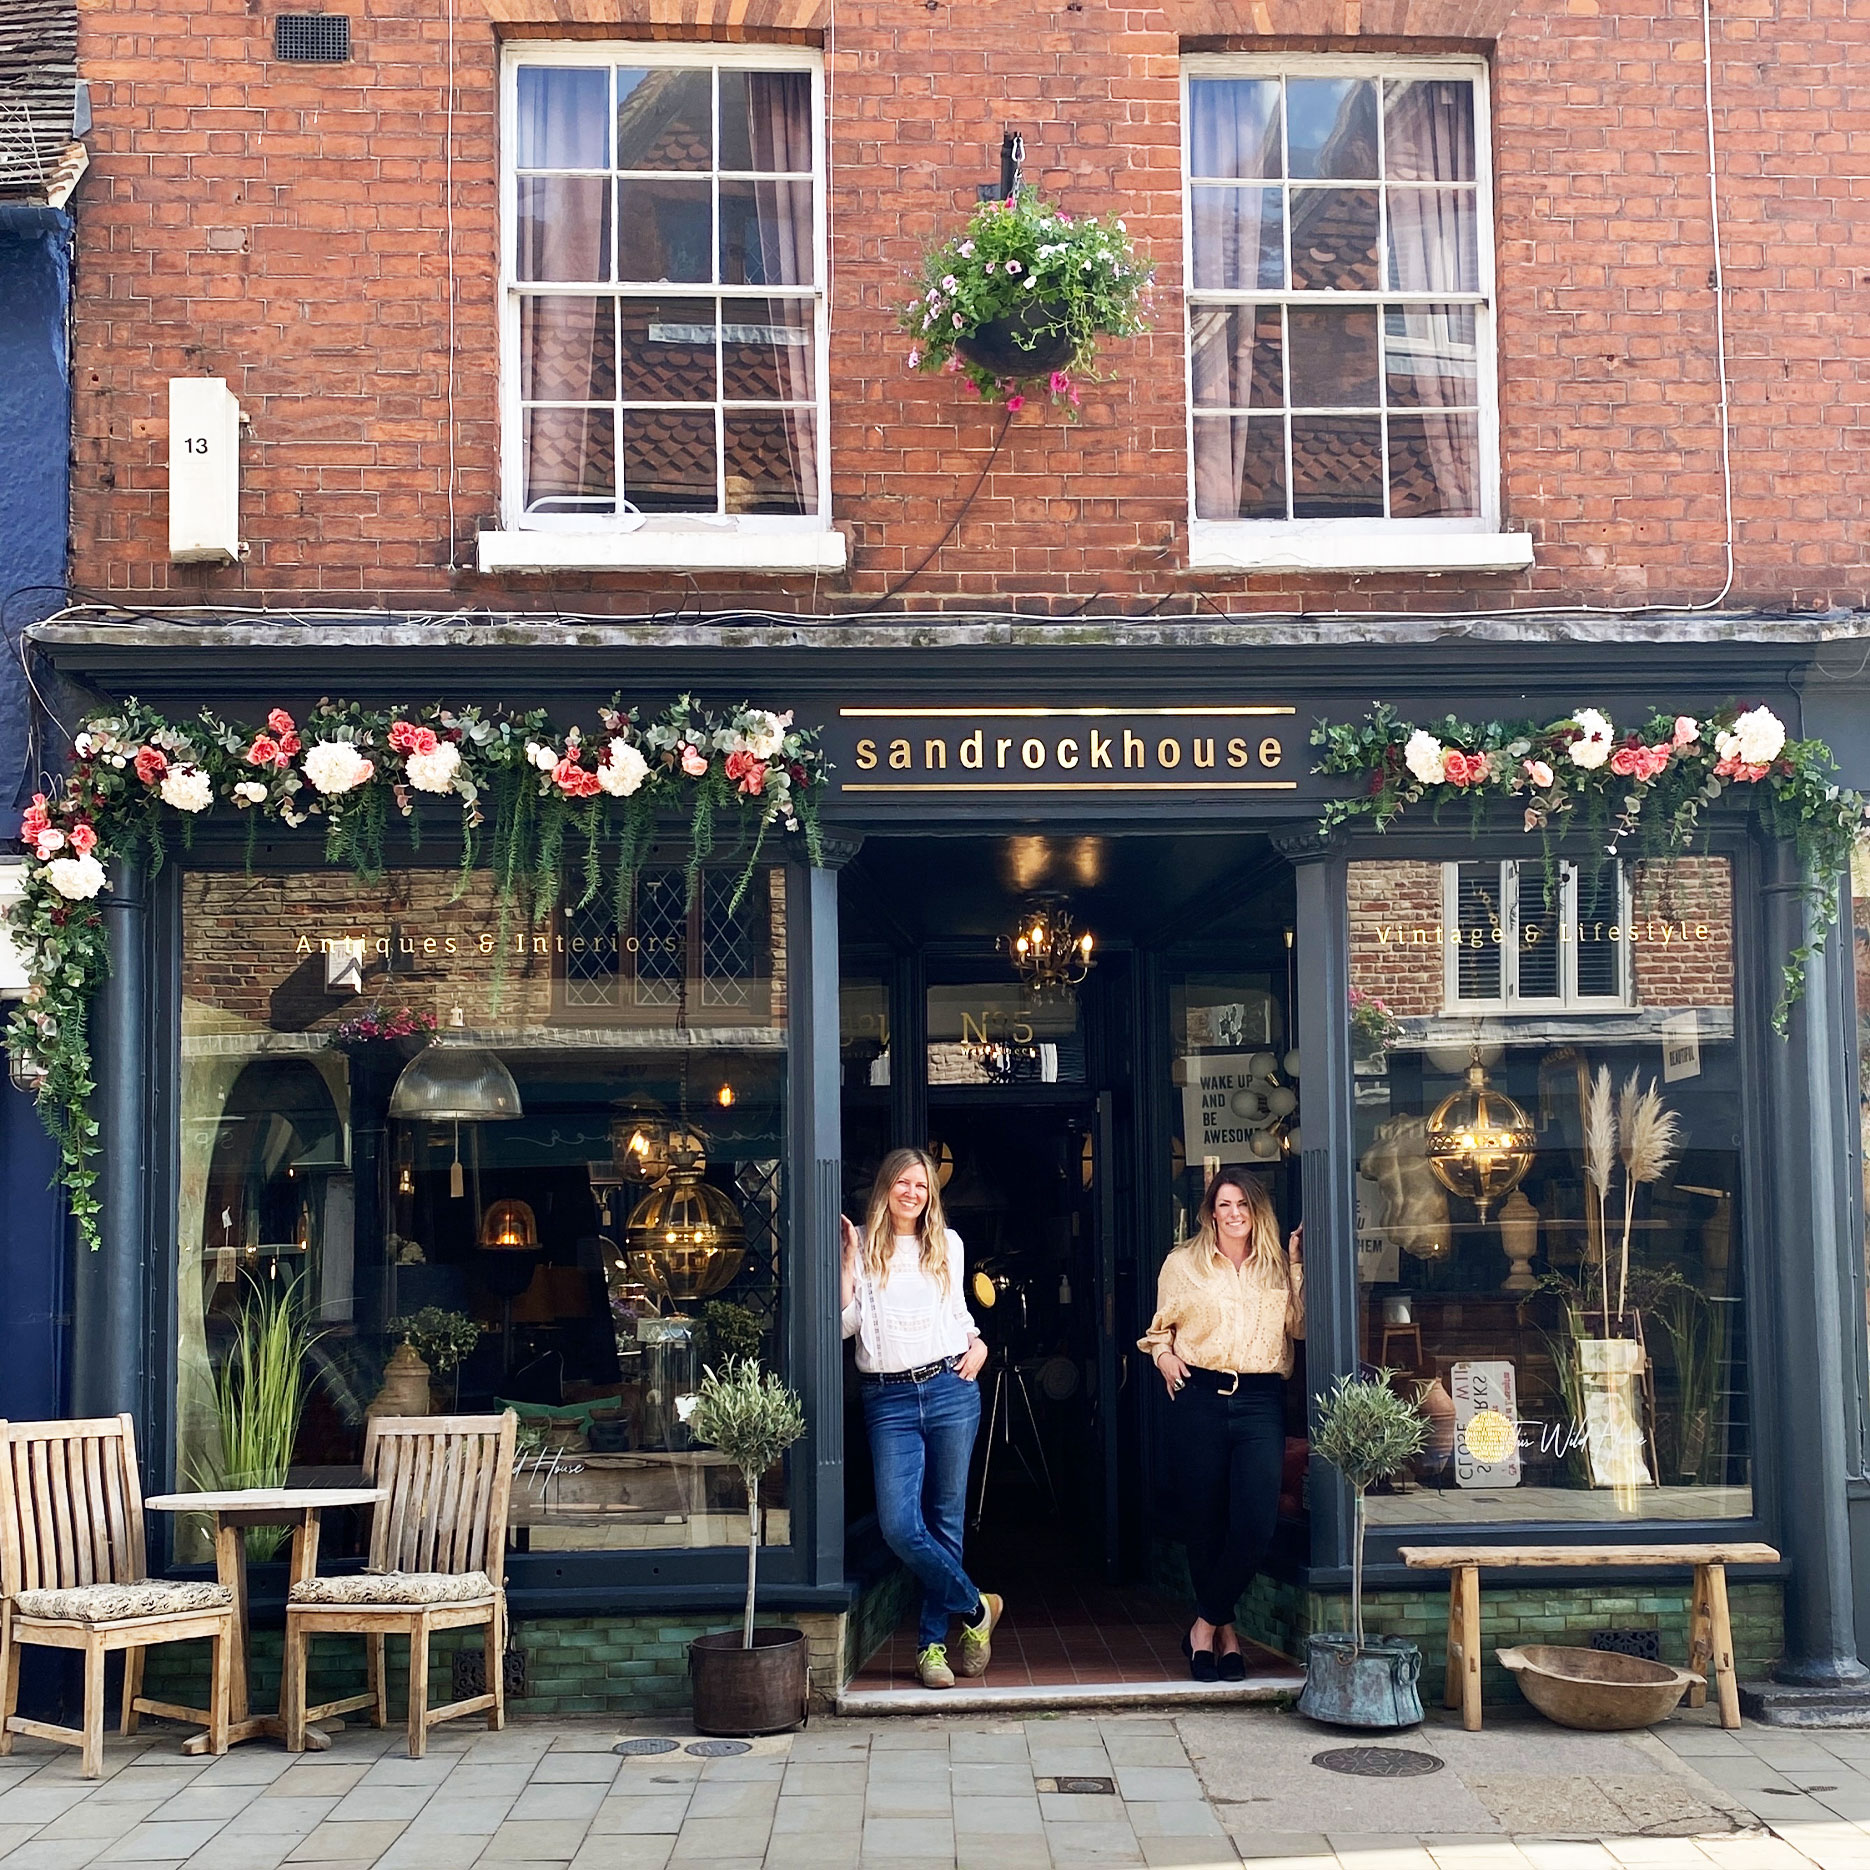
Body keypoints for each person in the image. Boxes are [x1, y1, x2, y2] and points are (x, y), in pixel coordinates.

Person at [841, 1146, 1002, 1690]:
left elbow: (957, 1312)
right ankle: (977, 1609)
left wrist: (979, 1343)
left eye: (922, 1186)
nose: (912, 1193)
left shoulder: (947, 1244)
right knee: (900, 1526)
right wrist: (844, 1268)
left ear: (931, 1194)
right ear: (886, 1187)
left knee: (946, 1520)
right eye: (903, 1183)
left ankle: (932, 1646)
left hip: (950, 1389)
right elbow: (846, 1327)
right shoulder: (861, 1246)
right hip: (887, 1400)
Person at [1138, 1169, 1303, 1682]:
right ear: (1211, 1211)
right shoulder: (1182, 1264)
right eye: (1223, 1205)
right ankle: (1225, 1635)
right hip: (1199, 1397)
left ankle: (1202, 1626)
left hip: (1258, 1400)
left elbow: (1299, 1327)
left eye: (1243, 1206)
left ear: (1258, 1212)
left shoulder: (1276, 1264)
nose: (1233, 1214)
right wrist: (1163, 1358)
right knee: (1205, 1524)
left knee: (1255, 1523)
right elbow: (1158, 1330)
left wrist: (1297, 1267)